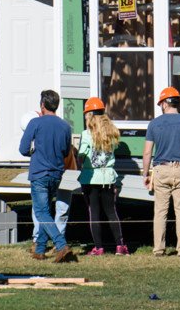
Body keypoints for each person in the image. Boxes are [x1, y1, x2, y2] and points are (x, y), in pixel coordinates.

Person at [141, 86, 180, 257]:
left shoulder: (154, 124)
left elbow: (147, 152)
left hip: (161, 170)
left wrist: (146, 174)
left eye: (160, 103)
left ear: (164, 104)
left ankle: (159, 249)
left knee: (160, 211)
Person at [19, 89, 76, 263]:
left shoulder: (35, 123)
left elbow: (22, 149)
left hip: (39, 173)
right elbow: (66, 151)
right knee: (46, 212)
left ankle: (61, 245)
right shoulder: (65, 126)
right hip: (56, 174)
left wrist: (34, 152)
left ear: (42, 105)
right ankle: (40, 249)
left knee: (41, 211)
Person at [77, 97, 128, 256]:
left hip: (90, 178)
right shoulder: (112, 132)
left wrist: (82, 163)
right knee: (111, 211)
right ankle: (120, 246)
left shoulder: (86, 134)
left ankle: (98, 247)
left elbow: (81, 155)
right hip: (107, 177)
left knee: (94, 212)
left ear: (90, 114)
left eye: (86, 114)